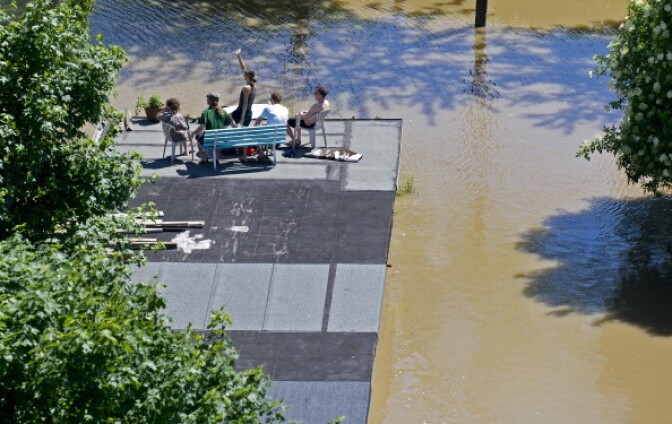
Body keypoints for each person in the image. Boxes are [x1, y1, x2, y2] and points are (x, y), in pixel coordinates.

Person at [192, 92, 234, 164]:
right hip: (222, 139)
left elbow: (202, 127)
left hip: (209, 139)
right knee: (216, 138)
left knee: (198, 137)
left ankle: (203, 157)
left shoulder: (205, 112)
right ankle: (216, 157)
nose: (207, 100)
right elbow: (230, 124)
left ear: (210, 101)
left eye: (208, 99)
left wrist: (193, 133)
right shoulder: (223, 111)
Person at [230, 49, 256, 128]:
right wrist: (238, 56)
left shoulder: (246, 88)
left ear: (247, 76)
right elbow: (244, 69)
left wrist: (242, 118)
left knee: (227, 116)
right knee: (243, 132)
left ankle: (235, 128)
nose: (243, 75)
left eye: (244, 74)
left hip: (241, 112)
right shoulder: (254, 85)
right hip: (249, 113)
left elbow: (245, 104)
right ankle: (237, 129)